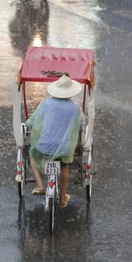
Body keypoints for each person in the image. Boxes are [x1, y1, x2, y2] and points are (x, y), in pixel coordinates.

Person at [26, 75, 85, 208]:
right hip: (64, 147)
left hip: (44, 146)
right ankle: (63, 196)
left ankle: (41, 186)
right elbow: (81, 125)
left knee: (32, 155)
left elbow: (32, 121)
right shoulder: (75, 108)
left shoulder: (45, 104)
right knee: (64, 166)